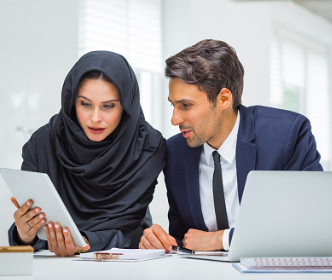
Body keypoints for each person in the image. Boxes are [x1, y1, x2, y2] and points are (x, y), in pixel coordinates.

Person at [139, 39, 323, 253]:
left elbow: (312, 223)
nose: (174, 119)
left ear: (224, 99)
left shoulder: (287, 135)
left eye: (186, 105)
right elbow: (186, 239)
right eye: (173, 105)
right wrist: (160, 243)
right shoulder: (175, 151)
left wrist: (225, 239)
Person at [9, 51, 166, 257]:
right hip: (54, 269)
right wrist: (25, 233)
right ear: (72, 101)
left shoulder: (148, 148)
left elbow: (131, 228)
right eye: (85, 104)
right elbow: (30, 239)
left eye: (108, 106)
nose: (95, 118)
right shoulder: (43, 143)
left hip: (124, 265)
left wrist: (84, 242)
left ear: (127, 106)